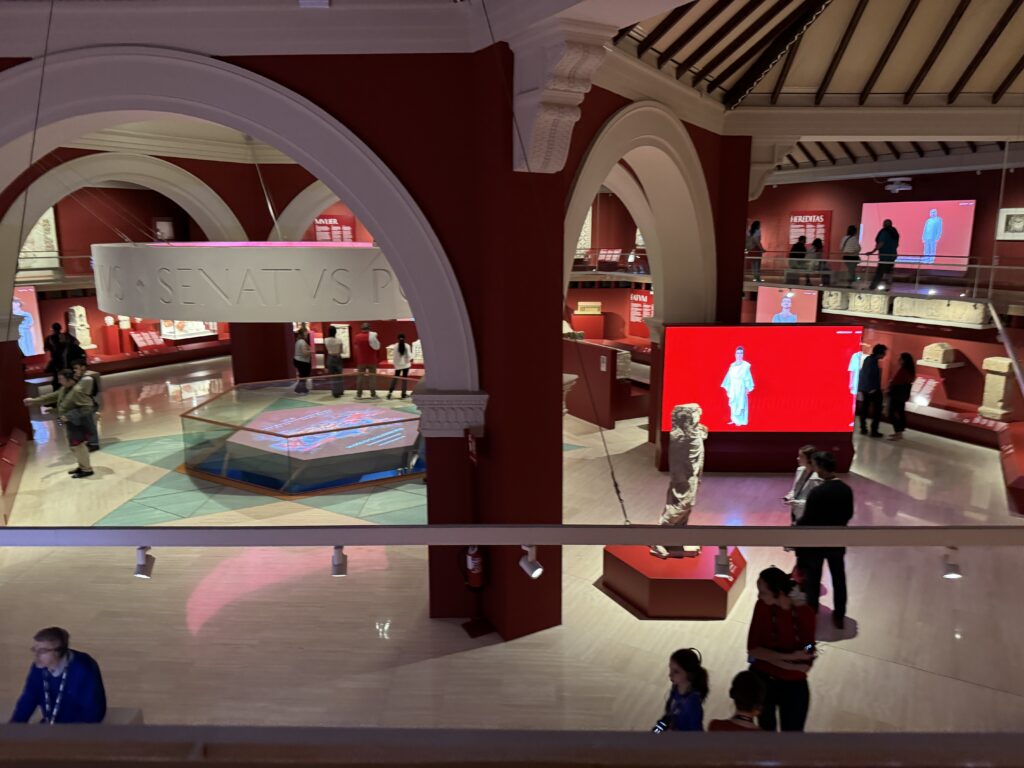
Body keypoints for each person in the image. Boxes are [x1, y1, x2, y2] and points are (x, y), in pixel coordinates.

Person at [747, 567, 816, 732]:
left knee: (792, 734)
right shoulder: (762, 606)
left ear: (778, 592)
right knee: (766, 731)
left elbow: (809, 645)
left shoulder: (805, 612)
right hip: (764, 679)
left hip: (792, 684)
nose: (758, 596)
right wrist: (792, 659)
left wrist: (806, 650)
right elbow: (753, 650)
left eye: (763, 592)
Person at [795, 451, 854, 629]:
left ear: (820, 467)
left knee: (813, 578)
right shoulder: (846, 490)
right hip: (837, 541)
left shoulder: (817, 492)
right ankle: (839, 615)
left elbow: (808, 519)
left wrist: (797, 527)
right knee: (839, 578)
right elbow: (849, 514)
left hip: (817, 542)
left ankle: (811, 612)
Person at [9, 627, 106, 724]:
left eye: (42, 651)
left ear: (58, 651)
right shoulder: (38, 668)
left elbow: (93, 713)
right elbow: (28, 699)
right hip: (51, 724)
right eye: (34, 650)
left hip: (78, 727)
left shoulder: (83, 669)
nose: (36, 655)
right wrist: (13, 727)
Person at [23, 369, 97, 478]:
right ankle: (82, 466)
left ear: (69, 379)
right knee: (73, 446)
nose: (59, 381)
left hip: (78, 424)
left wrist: (69, 416)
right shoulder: (64, 389)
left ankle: (87, 469)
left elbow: (88, 407)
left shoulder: (78, 391)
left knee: (78, 445)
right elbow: (52, 396)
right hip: (69, 423)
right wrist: (34, 401)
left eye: (61, 379)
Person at [659, 648, 708, 731]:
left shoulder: (692, 704)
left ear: (689, 674)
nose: (670, 674)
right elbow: (668, 717)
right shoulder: (675, 688)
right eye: (670, 668)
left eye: (676, 671)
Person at [783, 444, 820, 526]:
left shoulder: (818, 477)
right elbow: (795, 489)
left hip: (808, 514)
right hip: (795, 511)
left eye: (801, 456)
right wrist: (789, 496)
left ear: (810, 459)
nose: (798, 458)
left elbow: (816, 502)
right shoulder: (799, 470)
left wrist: (797, 503)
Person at [857, 343, 887, 437]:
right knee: (876, 410)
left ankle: (863, 428)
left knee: (865, 408)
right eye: (884, 352)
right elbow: (868, 375)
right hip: (872, 390)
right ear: (880, 353)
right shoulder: (872, 361)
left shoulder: (868, 359)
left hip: (866, 389)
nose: (885, 354)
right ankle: (873, 430)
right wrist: (872, 389)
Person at [71, 360, 102, 451]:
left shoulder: (88, 378)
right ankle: (90, 441)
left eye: (76, 368)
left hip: (88, 405)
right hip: (83, 405)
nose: (75, 371)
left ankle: (94, 443)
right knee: (85, 424)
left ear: (83, 367)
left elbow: (87, 392)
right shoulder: (81, 378)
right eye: (74, 369)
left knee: (89, 424)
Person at [43, 323, 85, 390]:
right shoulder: (61, 348)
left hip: (66, 371)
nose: (60, 339)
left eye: (61, 338)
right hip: (63, 370)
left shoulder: (70, 348)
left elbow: (47, 350)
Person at [721, 346, 754, 427]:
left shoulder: (745, 366)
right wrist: (728, 385)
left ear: (743, 354)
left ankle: (740, 421)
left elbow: (748, 377)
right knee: (734, 403)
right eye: (738, 353)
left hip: (741, 386)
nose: (739, 355)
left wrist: (747, 387)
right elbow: (729, 377)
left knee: (741, 403)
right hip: (733, 386)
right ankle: (734, 419)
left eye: (741, 353)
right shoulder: (732, 365)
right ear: (735, 354)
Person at [888, 352, 915, 441]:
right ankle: (899, 432)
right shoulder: (909, 371)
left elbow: (897, 382)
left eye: (900, 359)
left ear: (904, 360)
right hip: (901, 395)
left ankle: (898, 432)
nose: (899, 360)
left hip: (897, 394)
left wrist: (890, 387)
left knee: (892, 413)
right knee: (900, 413)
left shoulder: (904, 371)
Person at [866, 219, 900, 290]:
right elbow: (897, 245)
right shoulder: (895, 232)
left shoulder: (884, 232)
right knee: (888, 272)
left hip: (884, 256)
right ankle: (887, 287)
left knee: (880, 272)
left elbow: (881, 243)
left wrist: (872, 251)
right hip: (892, 255)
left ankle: (873, 287)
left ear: (884, 225)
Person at [352, 322, 381, 399]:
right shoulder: (373, 336)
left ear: (361, 328)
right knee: (372, 378)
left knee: (360, 377)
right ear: (369, 328)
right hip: (372, 360)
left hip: (361, 360)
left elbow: (356, 347)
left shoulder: (357, 337)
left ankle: (359, 395)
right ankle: (373, 394)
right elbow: (377, 347)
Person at [387, 333, 413, 399]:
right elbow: (409, 356)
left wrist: (396, 364)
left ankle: (390, 393)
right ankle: (403, 394)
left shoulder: (395, 346)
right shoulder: (407, 346)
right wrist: (410, 359)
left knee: (395, 378)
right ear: (405, 338)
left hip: (397, 365)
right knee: (404, 379)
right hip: (406, 365)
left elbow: (394, 357)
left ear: (398, 338)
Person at [324, 325, 345, 398]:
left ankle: (335, 392)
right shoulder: (339, 340)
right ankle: (340, 391)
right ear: (335, 332)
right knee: (339, 375)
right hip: (338, 357)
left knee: (333, 376)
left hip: (330, 357)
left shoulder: (326, 340)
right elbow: (341, 351)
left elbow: (327, 349)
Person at [293, 326, 312, 394]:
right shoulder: (302, 342)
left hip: (298, 360)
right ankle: (299, 388)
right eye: (306, 333)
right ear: (303, 334)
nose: (307, 334)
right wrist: (311, 351)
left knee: (303, 376)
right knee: (304, 376)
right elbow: (304, 353)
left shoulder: (298, 341)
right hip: (302, 361)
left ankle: (301, 388)